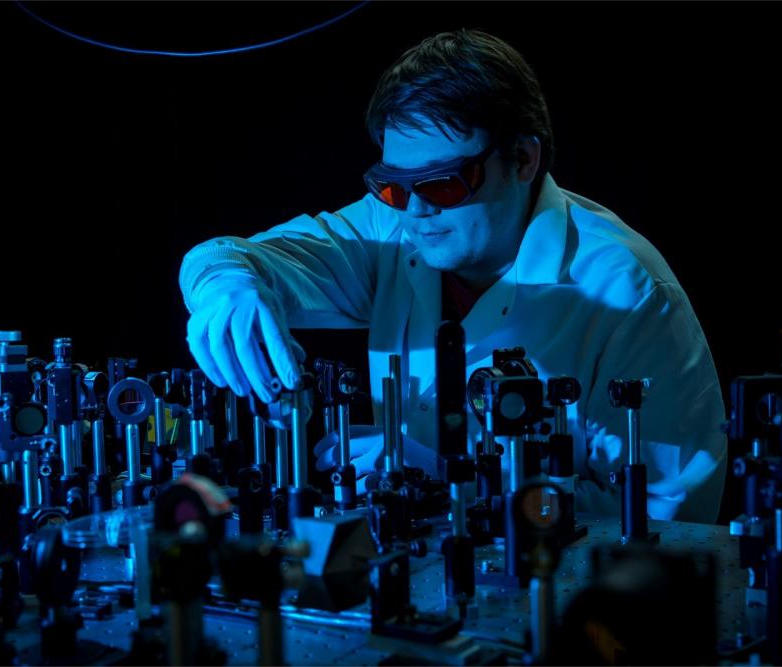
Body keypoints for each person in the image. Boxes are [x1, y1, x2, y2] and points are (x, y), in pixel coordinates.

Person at [179, 29, 726, 523]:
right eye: (394, 185)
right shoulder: (392, 227)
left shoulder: (629, 291)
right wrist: (226, 283)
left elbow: (670, 518)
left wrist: (453, 481)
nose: (415, 210)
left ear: (523, 160)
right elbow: (244, 256)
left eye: (443, 182)